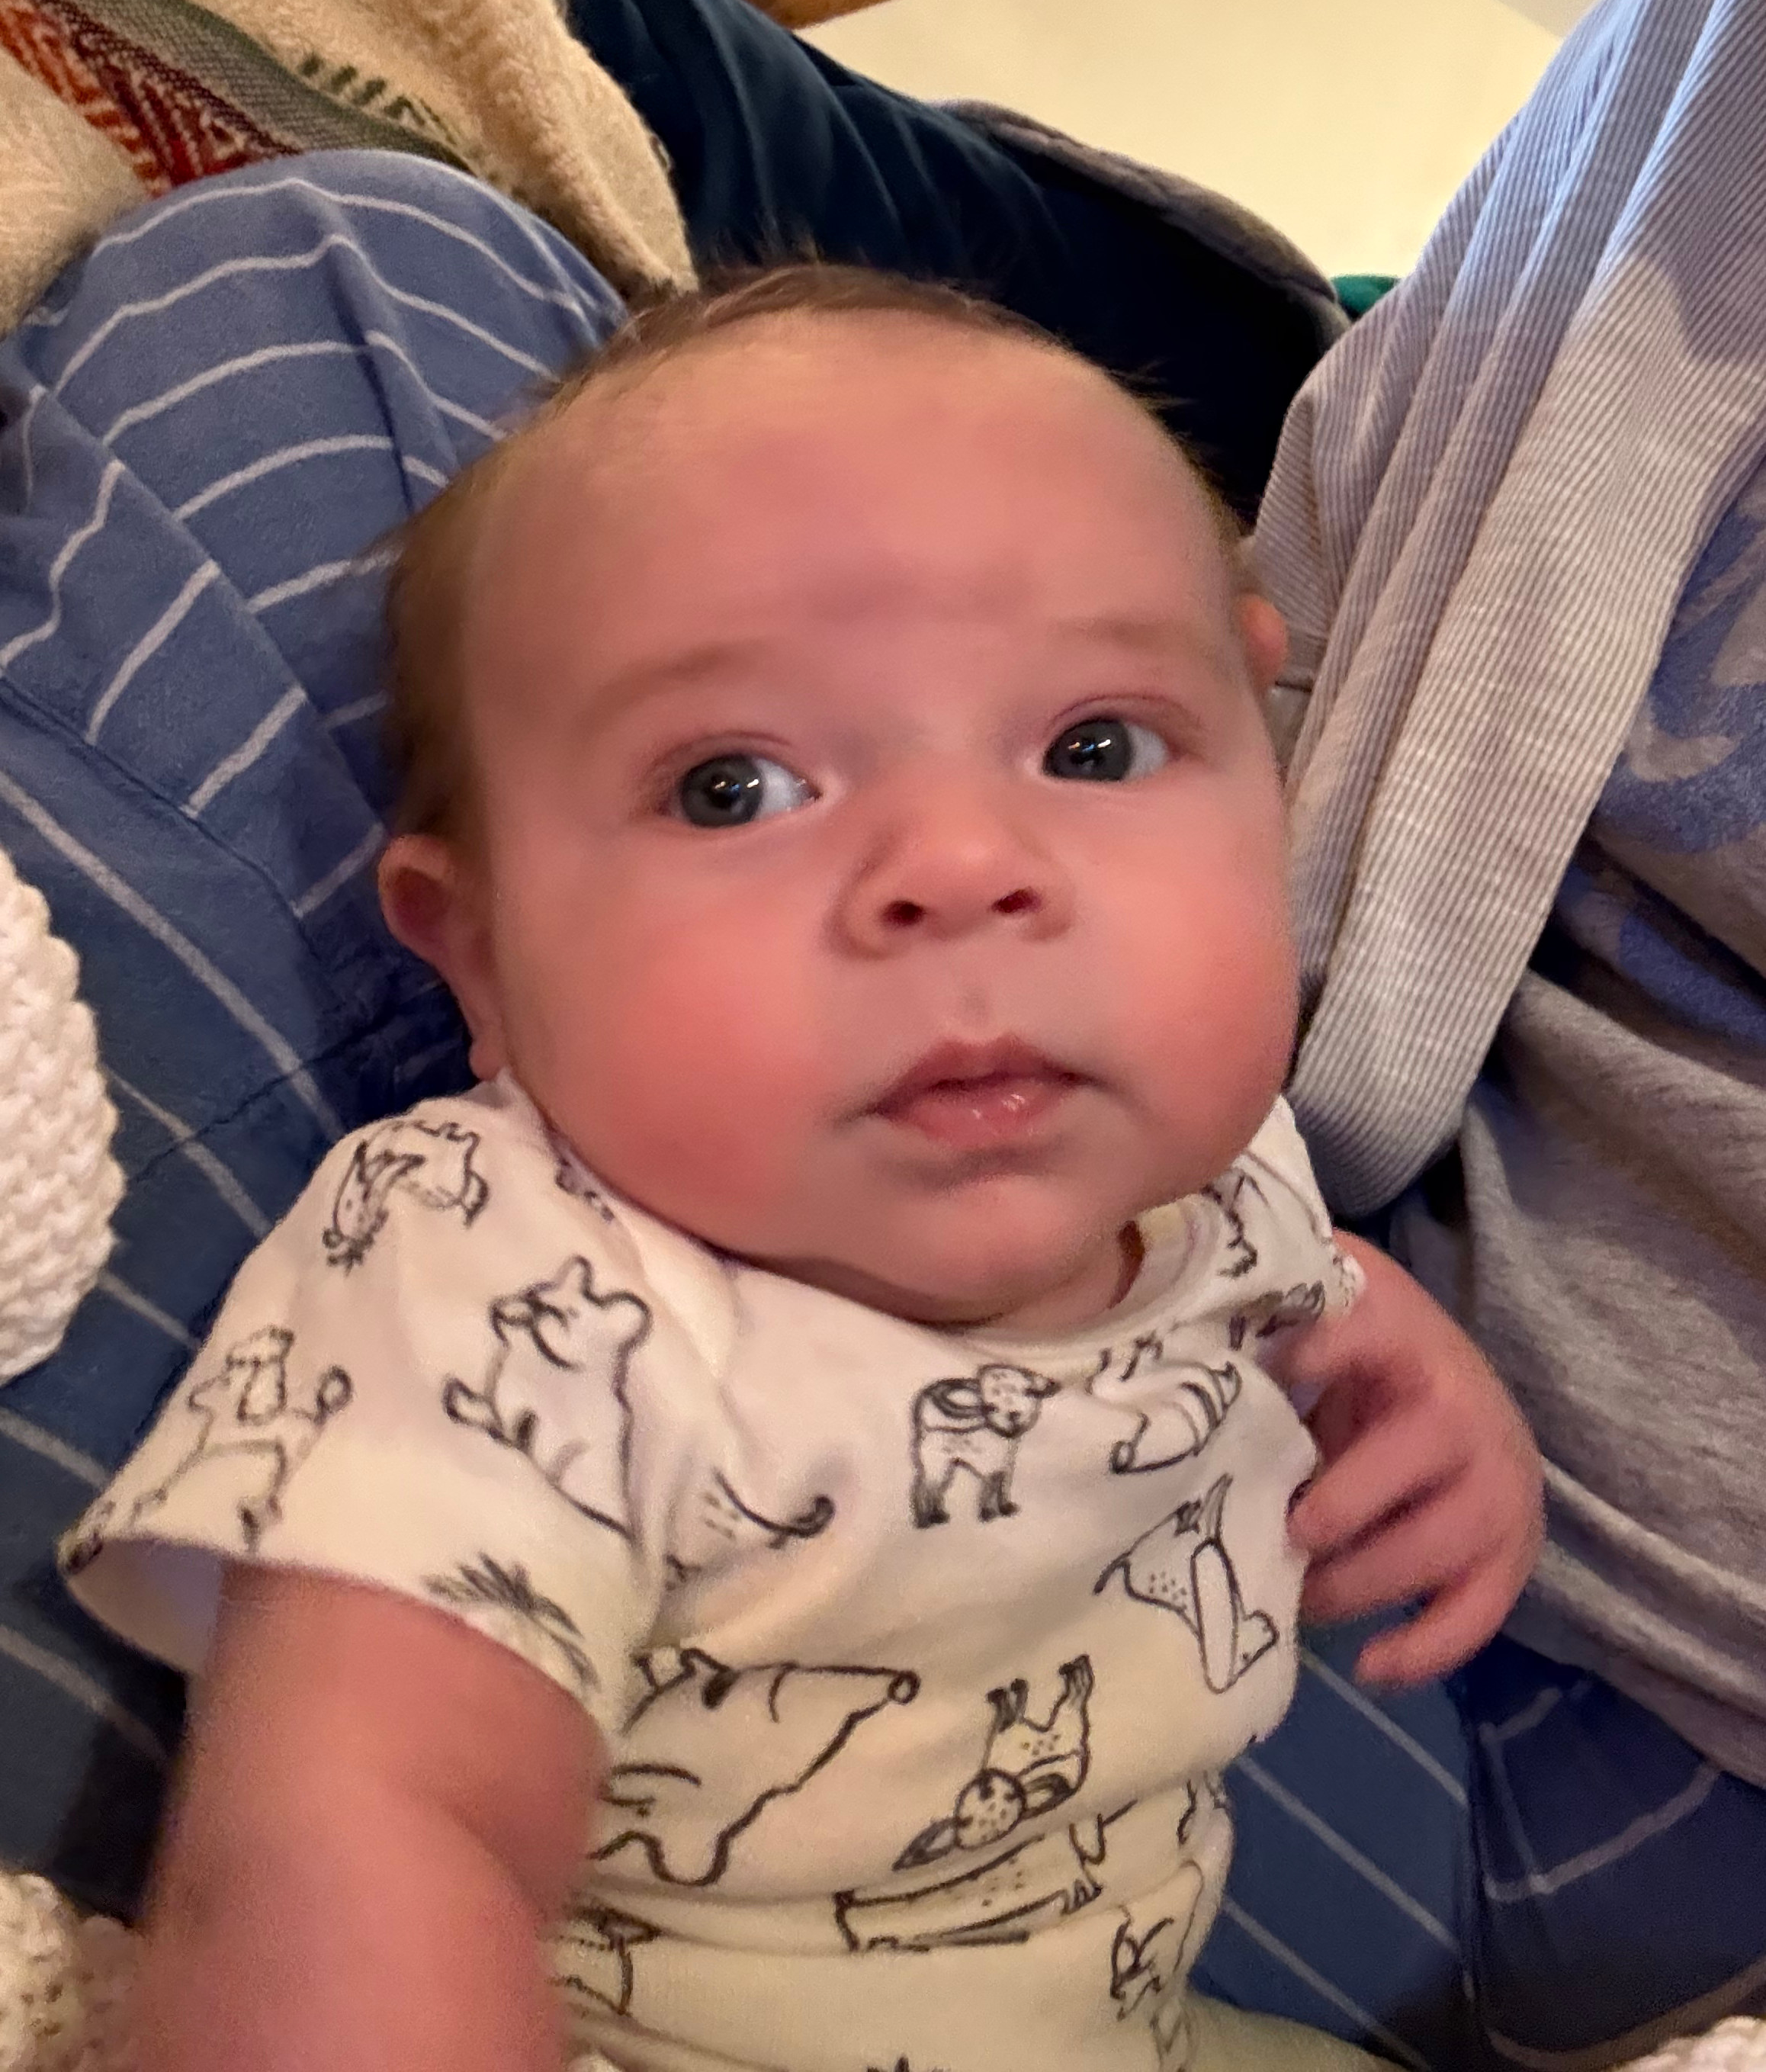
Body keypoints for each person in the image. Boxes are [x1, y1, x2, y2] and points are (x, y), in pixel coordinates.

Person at [59, 266, 1539, 2072]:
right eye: (732, 786)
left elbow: (1276, 1277)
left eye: (1094, 745)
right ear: (481, 958)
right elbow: (361, 1830)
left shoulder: (1203, 1161)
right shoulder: (508, 1279)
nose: (964, 864)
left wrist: (1403, 1363)